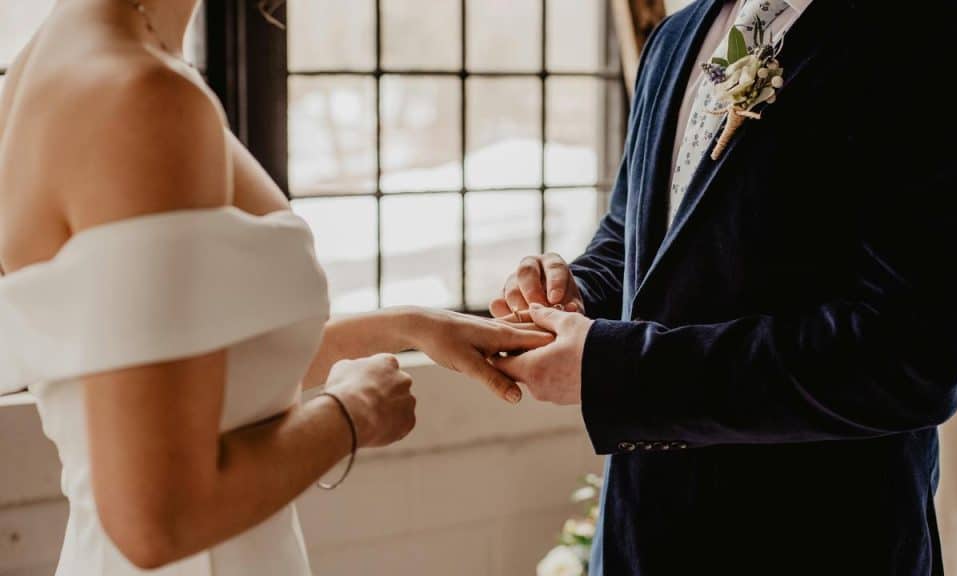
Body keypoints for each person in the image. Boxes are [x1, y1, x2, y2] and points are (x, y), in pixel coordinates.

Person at [0, 0, 551, 574]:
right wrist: (355, 411)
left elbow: (199, 381)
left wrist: (408, 326)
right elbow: (158, 520)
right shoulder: (140, 96)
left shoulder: (54, 60)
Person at [492, 0, 957, 574]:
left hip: (821, 542)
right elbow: (636, 235)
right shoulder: (674, 36)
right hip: (636, 539)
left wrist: (613, 369)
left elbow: (911, 361)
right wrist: (573, 291)